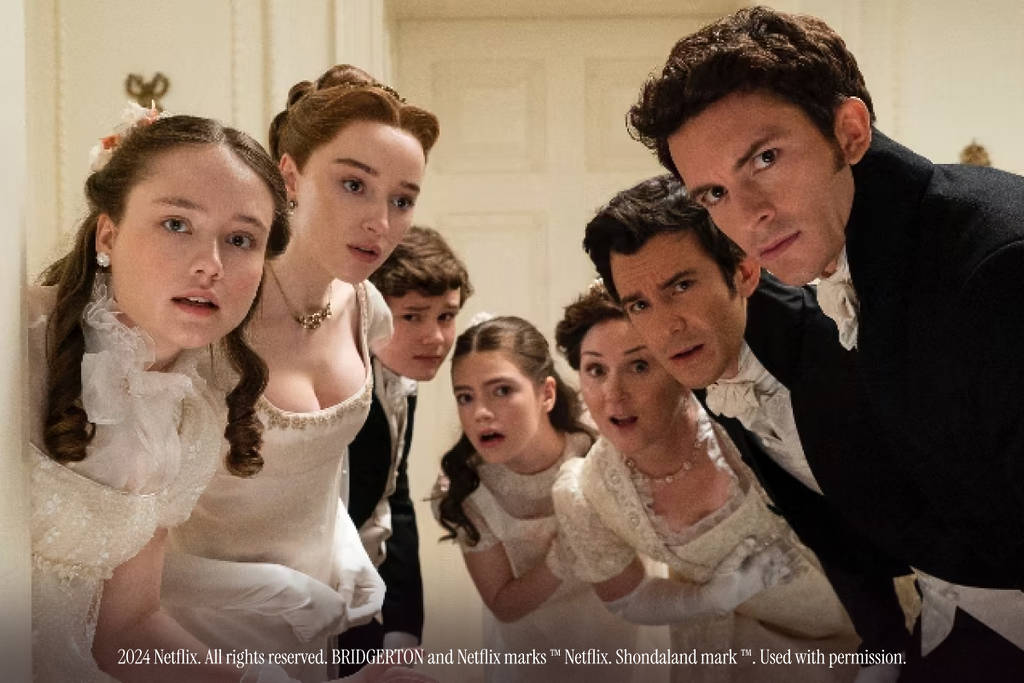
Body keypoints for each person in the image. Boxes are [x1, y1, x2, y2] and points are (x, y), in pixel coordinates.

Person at [627, 6, 1024, 679]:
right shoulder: (868, 256)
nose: (748, 215)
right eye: (714, 193)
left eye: (765, 158)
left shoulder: (997, 266)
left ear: (849, 130)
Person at [162, 66, 439, 683]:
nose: (381, 221)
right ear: (289, 176)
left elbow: (321, 477)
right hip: (191, 636)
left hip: (311, 635)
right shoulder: (211, 311)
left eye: (402, 200)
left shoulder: (368, 309)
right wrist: (279, 589)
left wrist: (343, 550)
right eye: (353, 185)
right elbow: (121, 547)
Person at [28, 107, 292, 682]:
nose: (210, 265)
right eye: (177, 223)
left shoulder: (190, 419)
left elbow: (127, 630)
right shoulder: (17, 348)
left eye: (241, 239)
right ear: (108, 234)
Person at [551, 282, 856, 683]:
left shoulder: (742, 411)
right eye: (595, 370)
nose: (613, 395)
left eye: (639, 366)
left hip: (883, 613)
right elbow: (627, 596)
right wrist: (712, 597)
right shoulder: (588, 493)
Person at [431, 316, 638, 683]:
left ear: (546, 394)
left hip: (624, 642)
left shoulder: (598, 447)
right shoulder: (466, 488)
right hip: (531, 658)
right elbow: (503, 604)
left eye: (501, 391)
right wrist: (564, 555)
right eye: (465, 397)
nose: (480, 413)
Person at [338, 226, 473, 675]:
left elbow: (394, 496)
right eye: (412, 317)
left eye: (446, 316)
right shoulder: (338, 388)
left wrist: (402, 628)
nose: (435, 337)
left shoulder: (402, 379)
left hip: (374, 606)